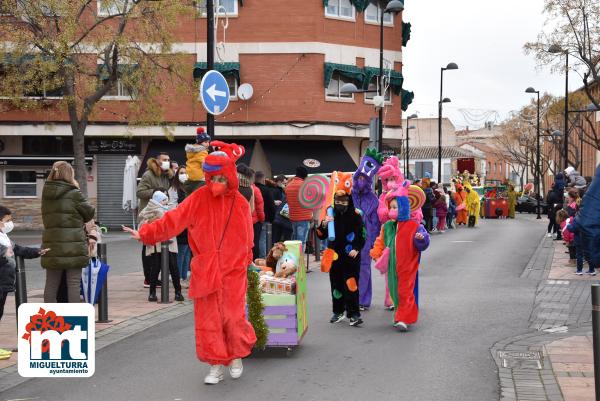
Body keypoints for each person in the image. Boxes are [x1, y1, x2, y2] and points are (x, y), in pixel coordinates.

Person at [123, 141, 256, 385]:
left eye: (221, 179)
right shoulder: (198, 198)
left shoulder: (239, 202)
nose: (216, 184)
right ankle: (216, 363)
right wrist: (146, 233)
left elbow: (248, 237)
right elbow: (174, 219)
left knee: (232, 317)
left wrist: (244, 261)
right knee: (209, 321)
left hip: (233, 270)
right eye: (212, 178)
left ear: (229, 177)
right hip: (206, 269)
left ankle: (235, 355)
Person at [370, 186, 430, 331]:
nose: (392, 210)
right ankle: (400, 313)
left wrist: (421, 239)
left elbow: (424, 242)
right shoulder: (388, 226)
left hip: (407, 266)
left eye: (395, 207)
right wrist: (376, 254)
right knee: (394, 291)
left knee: (405, 291)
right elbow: (380, 241)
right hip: (391, 266)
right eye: (390, 207)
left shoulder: (414, 225)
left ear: (404, 207)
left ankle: (403, 318)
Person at [41, 161, 95, 303]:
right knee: (73, 283)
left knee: (51, 284)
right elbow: (89, 213)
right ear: (70, 174)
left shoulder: (46, 194)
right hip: (73, 245)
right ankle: (74, 319)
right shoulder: (74, 193)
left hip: (51, 244)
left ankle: (50, 318)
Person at [0, 206, 47, 360]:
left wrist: (37, 252)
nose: (9, 223)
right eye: (7, 220)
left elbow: (18, 249)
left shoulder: (3, 237)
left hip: (4, 282)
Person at [317, 190, 365, 327]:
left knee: (351, 285)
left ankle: (354, 314)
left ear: (349, 202)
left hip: (351, 257)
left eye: (344, 201)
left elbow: (362, 233)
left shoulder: (355, 215)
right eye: (338, 201)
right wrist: (324, 224)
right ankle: (338, 311)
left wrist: (356, 248)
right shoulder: (331, 214)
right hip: (335, 256)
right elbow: (321, 235)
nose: (340, 204)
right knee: (336, 285)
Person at [138, 191, 184, 302]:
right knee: (155, 268)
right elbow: (142, 225)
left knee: (173, 268)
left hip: (170, 242)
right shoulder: (150, 210)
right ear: (157, 200)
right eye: (164, 200)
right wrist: (152, 221)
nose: (166, 202)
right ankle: (152, 293)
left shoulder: (168, 209)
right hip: (157, 244)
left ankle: (178, 292)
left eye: (166, 199)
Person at [351, 149, 383, 310]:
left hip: (365, 239)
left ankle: (362, 300)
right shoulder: (349, 195)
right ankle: (350, 297)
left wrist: (375, 242)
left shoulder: (373, 200)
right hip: (349, 238)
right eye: (359, 177)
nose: (361, 180)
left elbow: (376, 223)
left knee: (364, 269)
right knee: (349, 268)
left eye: (364, 178)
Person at [137, 152, 173, 288]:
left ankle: (154, 276)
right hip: (149, 215)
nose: (167, 162)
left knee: (157, 248)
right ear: (157, 161)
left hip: (160, 215)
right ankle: (148, 278)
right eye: (164, 159)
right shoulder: (148, 175)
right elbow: (139, 192)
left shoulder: (165, 175)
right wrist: (154, 192)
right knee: (148, 246)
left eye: (168, 159)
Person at [285, 166, 313, 249]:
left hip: (293, 217)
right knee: (301, 242)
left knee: (294, 241)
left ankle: (293, 260)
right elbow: (311, 202)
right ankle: (299, 261)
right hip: (304, 218)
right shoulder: (305, 186)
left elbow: (288, 201)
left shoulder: (288, 186)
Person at [174, 167, 192, 288]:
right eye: (181, 173)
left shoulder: (188, 188)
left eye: (185, 173)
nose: (184, 175)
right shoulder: (175, 189)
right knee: (181, 253)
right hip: (181, 225)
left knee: (187, 253)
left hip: (189, 224)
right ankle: (179, 277)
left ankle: (184, 276)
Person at [255, 171, 276, 259]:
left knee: (256, 239)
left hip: (253, 219)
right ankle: (263, 258)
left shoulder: (252, 188)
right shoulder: (267, 190)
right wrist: (272, 218)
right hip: (265, 218)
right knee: (263, 239)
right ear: (263, 179)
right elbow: (271, 206)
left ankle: (256, 258)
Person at [185, 127, 211, 193]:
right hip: (199, 176)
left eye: (208, 142)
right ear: (200, 142)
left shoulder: (191, 152)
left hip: (190, 176)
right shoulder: (202, 151)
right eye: (205, 142)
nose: (208, 144)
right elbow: (204, 164)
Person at [272, 175, 293, 243]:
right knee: (281, 240)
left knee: (278, 240)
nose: (285, 185)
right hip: (282, 219)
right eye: (284, 183)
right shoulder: (276, 190)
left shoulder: (284, 191)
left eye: (286, 184)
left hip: (280, 218)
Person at [251, 178, 265, 260]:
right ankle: (255, 261)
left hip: (245, 221)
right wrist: (262, 219)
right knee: (255, 242)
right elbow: (260, 207)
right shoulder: (255, 190)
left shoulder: (237, 189)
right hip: (255, 221)